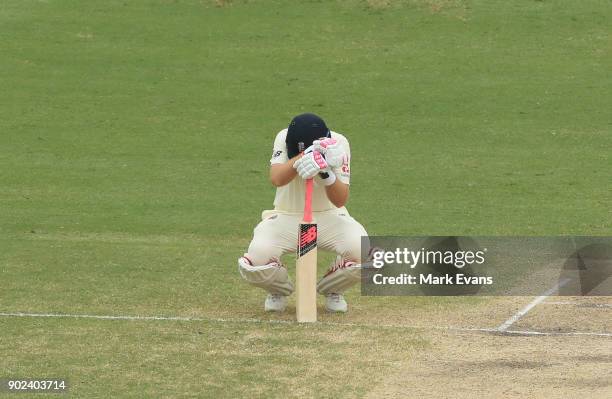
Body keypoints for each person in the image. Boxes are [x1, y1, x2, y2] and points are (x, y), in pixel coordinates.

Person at [238, 113, 369, 313]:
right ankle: (278, 289)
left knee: (366, 254)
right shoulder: (284, 136)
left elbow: (340, 199)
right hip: (287, 216)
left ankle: (333, 288)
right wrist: (307, 155)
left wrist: (326, 173)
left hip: (330, 217)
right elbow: (277, 178)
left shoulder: (339, 143)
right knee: (254, 261)